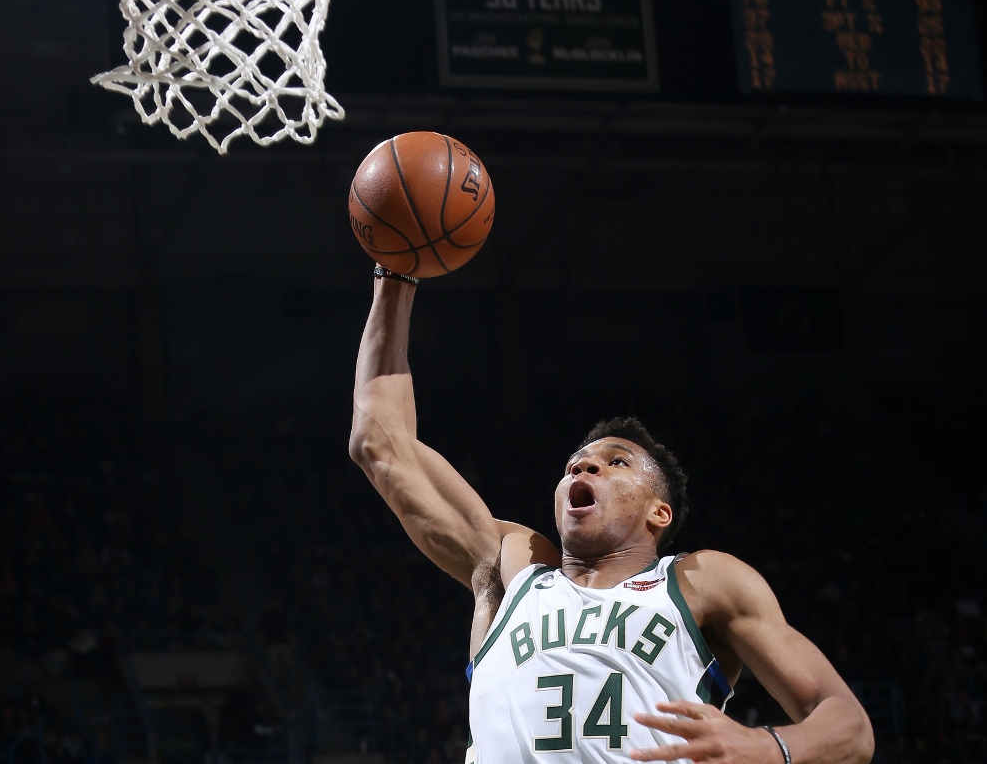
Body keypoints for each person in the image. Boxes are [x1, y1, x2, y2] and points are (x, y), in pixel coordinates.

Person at [349, 269, 874, 764]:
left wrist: (763, 748)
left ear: (659, 512)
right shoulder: (510, 568)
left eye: (615, 462)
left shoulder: (700, 583)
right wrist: (395, 276)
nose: (586, 465)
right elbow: (380, 444)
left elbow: (849, 727)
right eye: (575, 464)